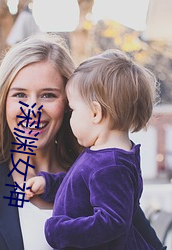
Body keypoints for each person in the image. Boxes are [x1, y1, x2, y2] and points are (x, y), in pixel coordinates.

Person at [0, 35, 165, 250]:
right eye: (20, 95)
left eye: (48, 95)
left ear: (70, 104)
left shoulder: (101, 171)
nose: (32, 110)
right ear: (3, 103)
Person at [25, 49, 166, 249]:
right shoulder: (104, 157)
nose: (69, 117)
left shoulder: (110, 166)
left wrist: (60, 231)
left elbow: (112, 222)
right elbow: (81, 187)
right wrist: (49, 184)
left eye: (73, 110)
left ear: (95, 112)